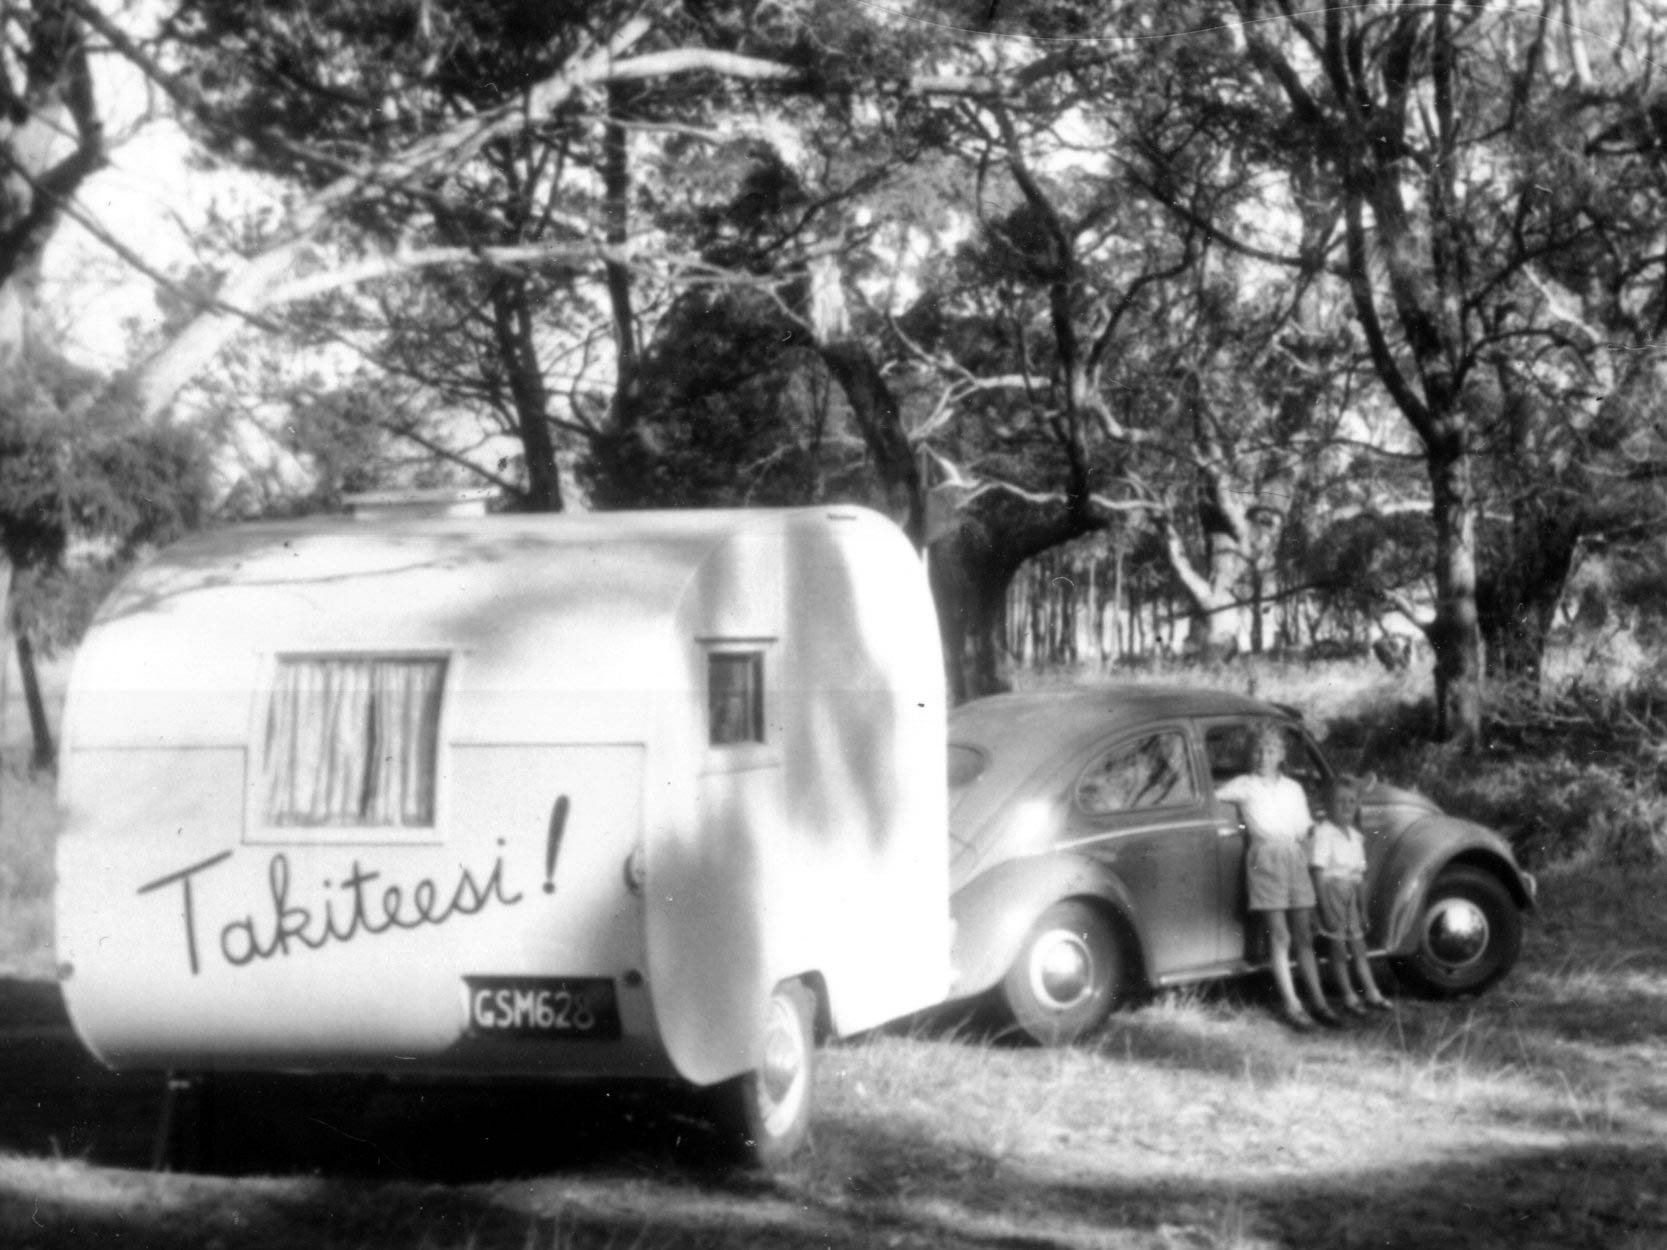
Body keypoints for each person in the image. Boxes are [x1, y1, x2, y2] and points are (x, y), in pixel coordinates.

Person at [1216, 725, 1340, 1030]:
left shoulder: (1293, 789)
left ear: (1281, 755)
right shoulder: (1243, 785)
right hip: (1265, 858)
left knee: (1304, 935)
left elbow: (1304, 829)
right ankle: (1292, 1004)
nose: (1263, 757)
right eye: (1258, 751)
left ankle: (1320, 1002)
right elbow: (1214, 795)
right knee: (1280, 935)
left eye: (1270, 751)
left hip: (1294, 857)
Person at [1309, 775, 1393, 1014]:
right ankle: (1348, 995)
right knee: (1337, 949)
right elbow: (1318, 872)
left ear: (1357, 805)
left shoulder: (1355, 837)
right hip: (1332, 893)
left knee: (1359, 946)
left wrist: (1363, 909)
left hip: (1351, 897)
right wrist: (1324, 908)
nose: (1346, 807)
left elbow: (1358, 879)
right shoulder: (1324, 833)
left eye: (1351, 801)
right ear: (1327, 805)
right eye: (1339, 801)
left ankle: (1372, 992)